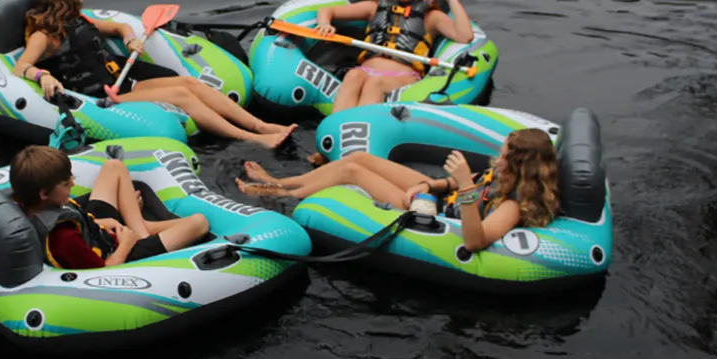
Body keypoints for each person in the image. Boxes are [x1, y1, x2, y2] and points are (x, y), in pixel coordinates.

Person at [13, 0, 297, 149]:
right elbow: (21, 65)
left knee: (188, 83)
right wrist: (43, 76)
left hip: (117, 83)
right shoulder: (44, 35)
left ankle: (260, 125)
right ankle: (252, 138)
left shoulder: (80, 20)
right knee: (182, 97)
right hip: (98, 98)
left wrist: (128, 39)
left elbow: (117, 27)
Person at [235, 129, 560, 252]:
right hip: (432, 195)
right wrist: (430, 183)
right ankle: (283, 182)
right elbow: (457, 183)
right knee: (360, 157)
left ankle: (281, 193)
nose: (497, 157)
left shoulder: (512, 207)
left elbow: (475, 241)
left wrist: (463, 185)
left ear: (520, 167)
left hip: (431, 213)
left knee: (353, 171)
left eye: (504, 155)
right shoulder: (503, 176)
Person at [312, 0, 476, 114]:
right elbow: (327, 10)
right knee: (353, 75)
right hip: (365, 70)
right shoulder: (374, 7)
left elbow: (464, 35)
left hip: (403, 77)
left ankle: (362, 126)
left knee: (375, 84)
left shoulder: (431, 16)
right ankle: (337, 125)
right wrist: (324, 24)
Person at [10, 145, 210, 268]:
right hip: (120, 251)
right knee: (199, 223)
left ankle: (140, 227)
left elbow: (73, 219)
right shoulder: (64, 238)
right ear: (44, 194)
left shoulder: (32, 205)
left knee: (114, 166)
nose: (72, 183)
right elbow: (106, 270)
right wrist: (127, 242)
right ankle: (142, 235)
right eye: (65, 183)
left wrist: (101, 222)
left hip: (97, 232)